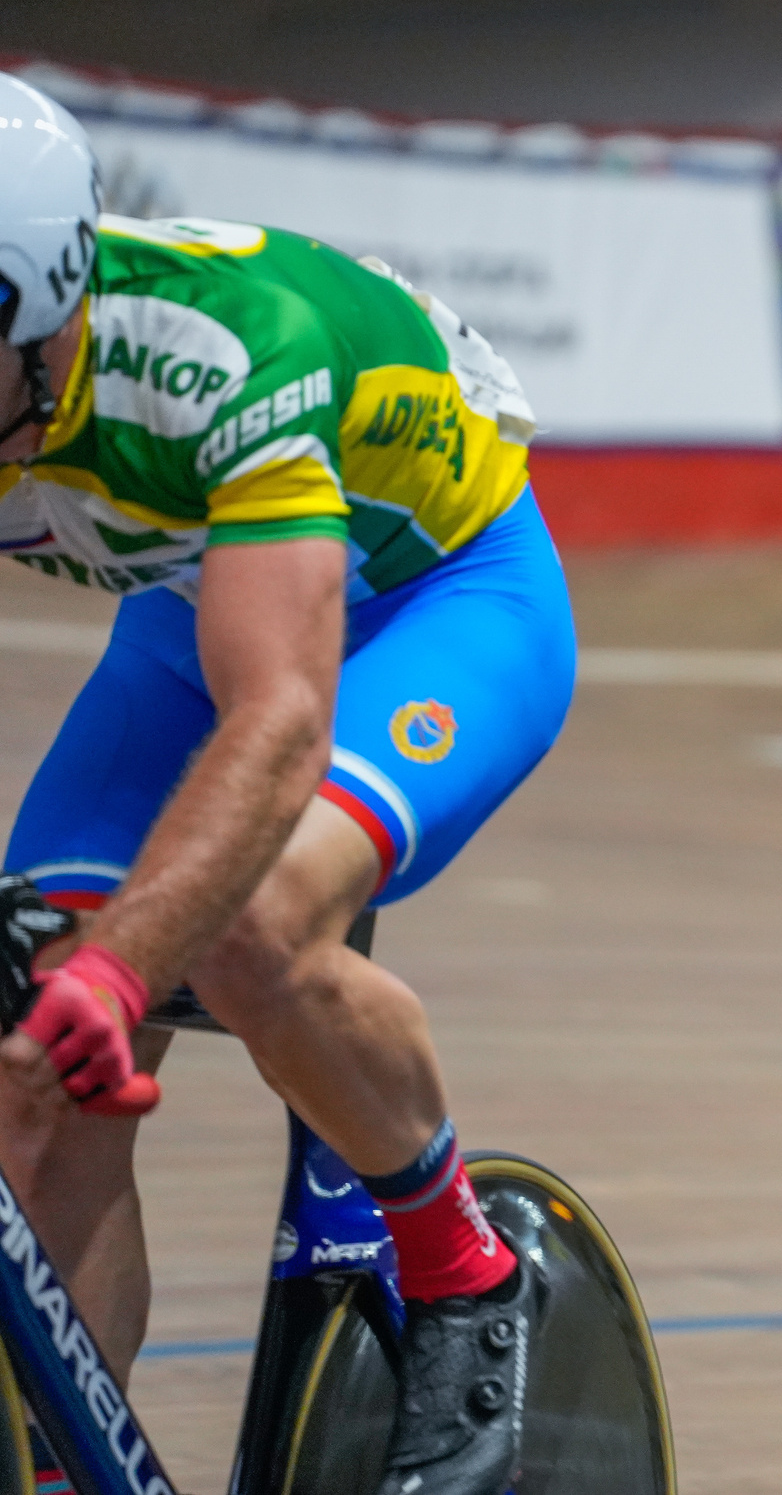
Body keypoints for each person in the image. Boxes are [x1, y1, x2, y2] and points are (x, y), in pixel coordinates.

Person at [0, 72, 574, 1495]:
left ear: (48, 314)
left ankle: (463, 1270)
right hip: (201, 604)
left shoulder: (213, 353)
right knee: (28, 1047)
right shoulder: (29, 354)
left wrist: (121, 969)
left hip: (437, 601)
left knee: (251, 928)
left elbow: (279, 718)